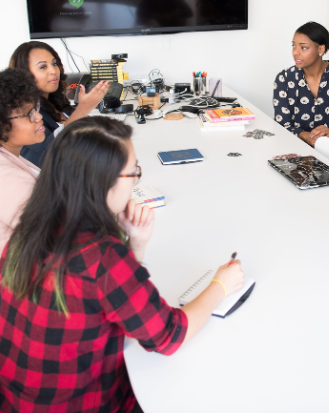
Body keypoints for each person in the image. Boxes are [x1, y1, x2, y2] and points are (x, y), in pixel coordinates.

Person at [0, 117, 244, 412]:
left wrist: (136, 244)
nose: (135, 182)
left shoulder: (30, 229)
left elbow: (106, 299)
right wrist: (220, 285)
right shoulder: (101, 256)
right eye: (133, 174)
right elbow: (169, 335)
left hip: (18, 400)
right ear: (104, 182)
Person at [9, 41, 110, 167]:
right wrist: (83, 109)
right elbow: (48, 155)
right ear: (24, 74)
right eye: (43, 67)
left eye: (54, 63)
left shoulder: (59, 105)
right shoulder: (23, 115)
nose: (53, 70)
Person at [273, 22, 329, 148]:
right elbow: (281, 125)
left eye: (303, 47)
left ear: (320, 49)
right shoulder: (284, 79)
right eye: (294, 46)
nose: (295, 52)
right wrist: (306, 137)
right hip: (296, 150)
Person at [0, 69, 45, 253]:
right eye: (28, 114)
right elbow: (48, 235)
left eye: (36, 109)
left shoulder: (12, 155)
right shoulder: (6, 177)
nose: (39, 117)